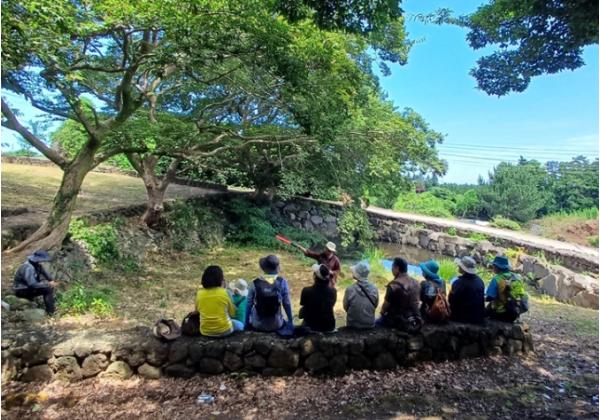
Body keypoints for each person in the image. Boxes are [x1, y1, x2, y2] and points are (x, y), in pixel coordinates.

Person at [245, 255, 294, 333]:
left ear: (264, 268)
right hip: (276, 324)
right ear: (277, 268)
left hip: (258, 325)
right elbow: (287, 303)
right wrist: (290, 321)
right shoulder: (282, 282)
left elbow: (249, 304)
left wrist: (246, 323)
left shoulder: (254, 283)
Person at [195, 265, 244, 337]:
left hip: (205, 331)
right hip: (225, 330)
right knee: (240, 325)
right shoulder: (225, 292)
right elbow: (232, 313)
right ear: (220, 279)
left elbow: (197, 312)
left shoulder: (199, 294)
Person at [377, 257, 422, 332]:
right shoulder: (417, 283)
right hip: (415, 319)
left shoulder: (394, 285)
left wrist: (381, 313)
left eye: (392, 267)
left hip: (398, 321)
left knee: (376, 323)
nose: (391, 269)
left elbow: (385, 307)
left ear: (397, 268)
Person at [485, 255, 529, 323]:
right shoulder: (517, 278)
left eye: (494, 265)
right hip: (514, 313)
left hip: (501, 314)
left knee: (484, 311)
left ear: (497, 267)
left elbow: (490, 297)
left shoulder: (496, 279)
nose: (492, 267)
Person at [13, 250, 57, 315]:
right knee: (47, 289)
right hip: (21, 290)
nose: (43, 262)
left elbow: (46, 275)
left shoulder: (37, 265)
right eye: (42, 261)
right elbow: (32, 284)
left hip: (27, 288)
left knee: (48, 286)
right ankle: (51, 312)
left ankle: (50, 308)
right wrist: (48, 284)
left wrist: (51, 280)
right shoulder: (28, 267)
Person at [298, 264, 337, 333]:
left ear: (314, 276)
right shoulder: (333, 291)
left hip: (311, 326)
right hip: (329, 326)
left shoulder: (306, 290)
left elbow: (303, 304)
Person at [448, 256, 485, 324]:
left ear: (463, 269)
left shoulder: (459, 282)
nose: (458, 266)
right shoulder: (480, 281)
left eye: (460, 265)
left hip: (462, 317)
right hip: (477, 317)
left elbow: (451, 300)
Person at [343, 262, 379, 329]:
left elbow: (345, 307)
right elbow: (375, 305)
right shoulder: (375, 289)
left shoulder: (350, 289)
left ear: (357, 274)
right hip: (369, 324)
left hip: (353, 325)